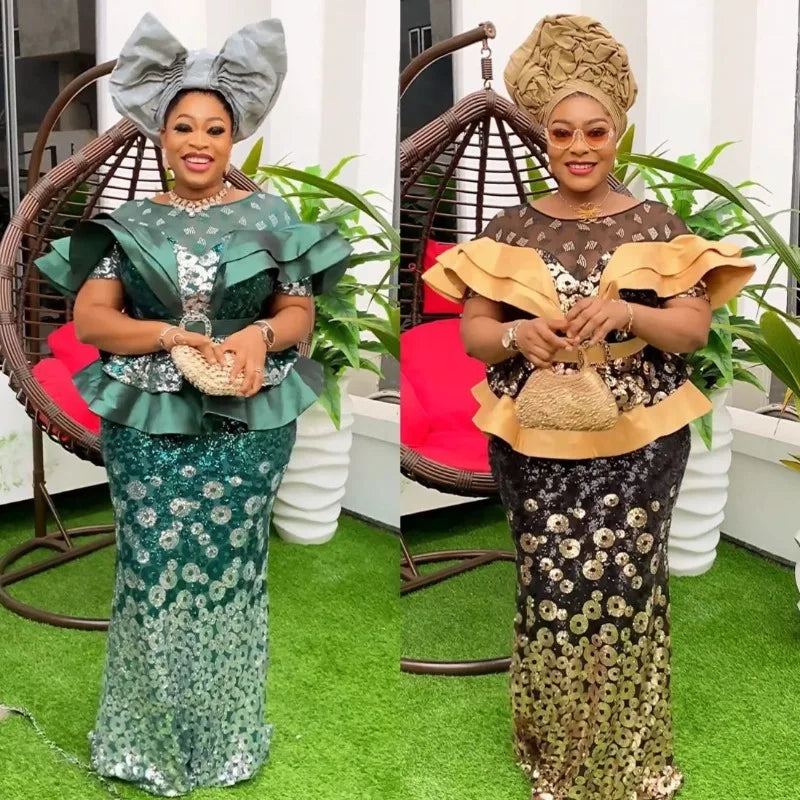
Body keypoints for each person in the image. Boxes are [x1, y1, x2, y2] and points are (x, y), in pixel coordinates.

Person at [422, 14, 754, 800]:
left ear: (618, 134)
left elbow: (691, 328)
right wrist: (519, 335)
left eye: (594, 132)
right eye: (562, 132)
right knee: (551, 585)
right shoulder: (510, 227)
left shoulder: (655, 224)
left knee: (629, 589)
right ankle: (556, 754)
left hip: (641, 438)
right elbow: (475, 334)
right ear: (545, 137)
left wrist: (629, 313)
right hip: (535, 432)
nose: (578, 146)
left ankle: (627, 758)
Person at [34, 13, 351, 796]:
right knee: (151, 571)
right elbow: (92, 321)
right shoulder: (130, 221)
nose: (199, 141)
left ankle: (225, 737)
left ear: (235, 134)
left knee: (234, 572)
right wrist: (170, 333)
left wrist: (260, 337)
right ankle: (144, 742)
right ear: (160, 132)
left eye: (216, 127)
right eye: (184, 126)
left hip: (248, 420)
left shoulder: (272, 217)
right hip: (146, 422)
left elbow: (299, 312)